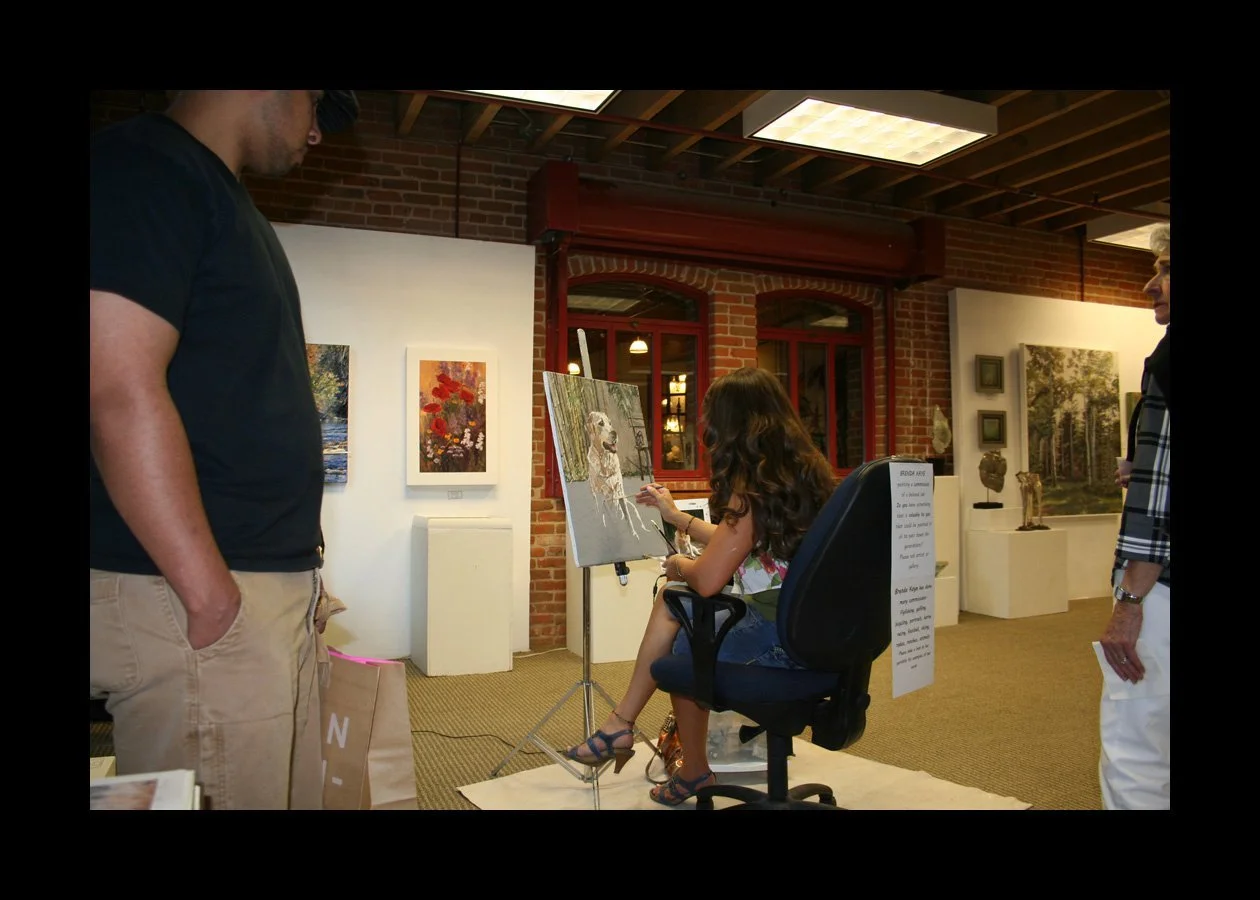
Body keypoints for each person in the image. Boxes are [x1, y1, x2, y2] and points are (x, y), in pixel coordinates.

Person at [90, 90, 359, 810]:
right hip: (198, 602)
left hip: (257, 588)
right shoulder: (145, 167)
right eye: (320, 106)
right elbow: (116, 386)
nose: (318, 133)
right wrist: (209, 595)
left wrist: (295, 571)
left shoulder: (228, 203)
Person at [560, 367, 838, 805]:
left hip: (781, 642)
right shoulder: (803, 473)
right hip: (814, 631)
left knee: (684, 639)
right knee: (681, 612)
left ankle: (665, 755)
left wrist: (679, 562)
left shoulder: (751, 486)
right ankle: (627, 729)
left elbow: (708, 578)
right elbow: (747, 544)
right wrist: (678, 519)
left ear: (732, 423)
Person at [1097, 222, 1170, 810]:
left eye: (1167, 270)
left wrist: (1132, 602)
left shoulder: (1169, 362)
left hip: (1164, 586)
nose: (1151, 284)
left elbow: (1155, 506)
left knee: (1137, 737)